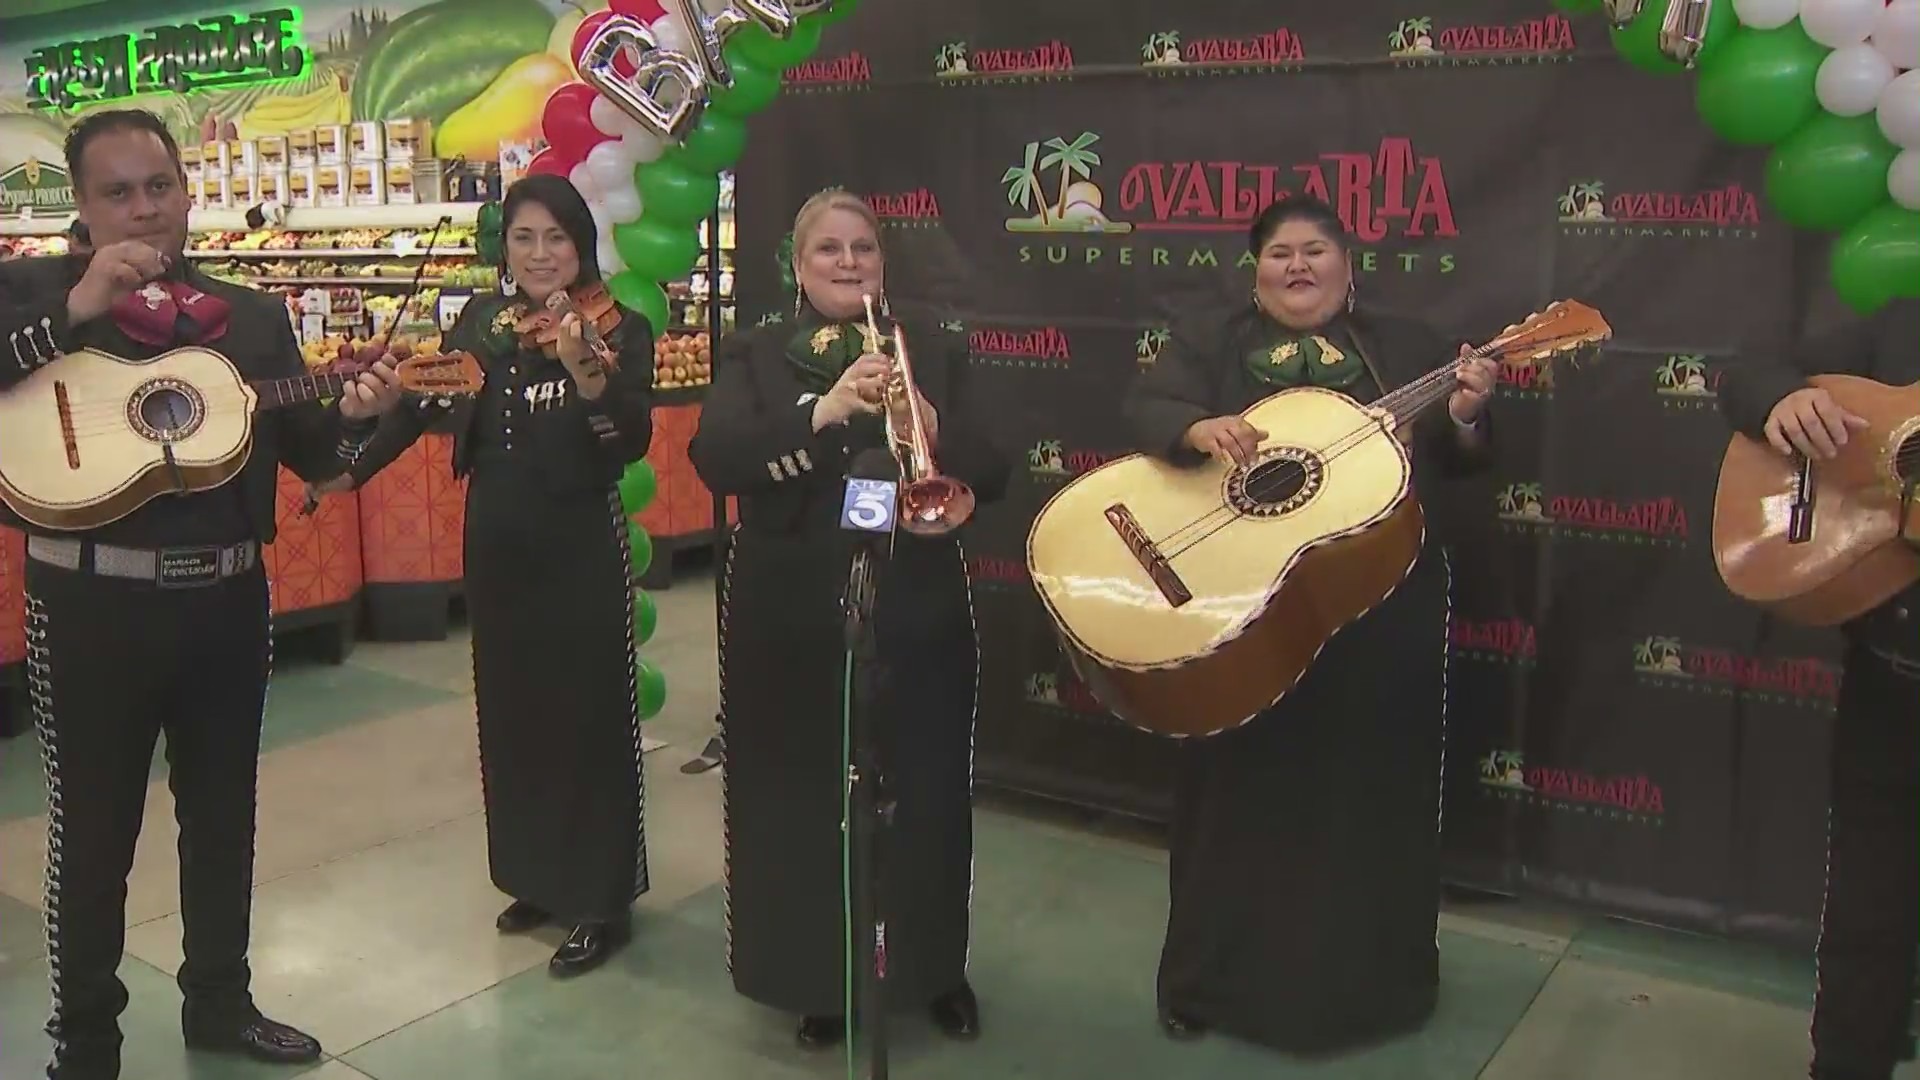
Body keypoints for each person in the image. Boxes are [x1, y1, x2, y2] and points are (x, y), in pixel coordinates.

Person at [0, 109, 403, 1079]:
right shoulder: (26, 290)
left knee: (224, 816)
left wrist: (366, 419)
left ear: (188, 191)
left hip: (227, 604)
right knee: (94, 835)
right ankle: (86, 1043)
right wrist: (76, 310)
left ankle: (221, 1003)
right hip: (88, 606)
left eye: (159, 186)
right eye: (117, 191)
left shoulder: (252, 319)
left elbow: (326, 465)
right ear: (83, 207)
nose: (144, 208)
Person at [1125, 194, 1498, 1053]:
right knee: (1232, 797)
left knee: (1367, 794)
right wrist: (1194, 424)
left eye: (1316, 250)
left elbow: (1463, 454)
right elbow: (1143, 413)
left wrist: (1470, 410)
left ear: (1348, 265)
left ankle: (1374, 991)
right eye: (1280, 253)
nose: (1299, 265)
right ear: (1254, 274)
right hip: (1242, 612)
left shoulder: (1406, 346)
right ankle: (1205, 985)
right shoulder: (1210, 342)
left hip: (1373, 610)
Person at [310, 174, 657, 976]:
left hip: (577, 544)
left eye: (558, 239)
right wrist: (346, 470)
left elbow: (629, 439)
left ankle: (601, 898)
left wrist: (588, 373)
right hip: (497, 541)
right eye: (525, 238)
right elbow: (420, 408)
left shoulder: (620, 330)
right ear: (506, 248)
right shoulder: (482, 324)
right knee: (514, 713)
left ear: (583, 246)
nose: (541, 255)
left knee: (588, 719)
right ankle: (537, 875)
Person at [688, 188, 1009, 1049]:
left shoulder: (928, 345)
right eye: (828, 249)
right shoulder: (755, 350)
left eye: (863, 247)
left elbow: (996, 466)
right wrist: (825, 412)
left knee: (929, 790)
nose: (848, 262)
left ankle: (935, 967)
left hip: (918, 604)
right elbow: (716, 458)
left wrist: (928, 425)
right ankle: (817, 979)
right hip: (788, 609)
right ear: (797, 266)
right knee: (803, 796)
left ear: (883, 263)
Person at [1718, 297, 1920, 1080]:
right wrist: (1781, 400)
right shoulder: (1903, 322)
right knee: (1871, 902)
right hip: (1893, 681)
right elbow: (1743, 370)